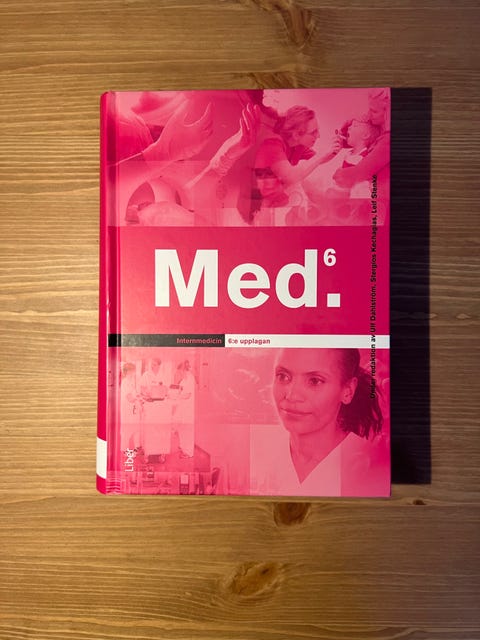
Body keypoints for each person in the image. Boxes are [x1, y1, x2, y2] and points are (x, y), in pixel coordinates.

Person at [250, 348, 389, 496]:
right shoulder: (257, 451)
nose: (291, 396)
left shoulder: (372, 466)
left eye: (314, 381)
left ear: (348, 391)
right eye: (283, 376)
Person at [251, 105, 342, 225]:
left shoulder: (298, 146)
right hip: (257, 205)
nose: (318, 136)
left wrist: (333, 150)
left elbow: (318, 160)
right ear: (296, 135)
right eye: (314, 132)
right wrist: (322, 155)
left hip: (277, 199)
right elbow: (291, 177)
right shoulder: (272, 145)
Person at [332, 88, 390, 211]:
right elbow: (358, 138)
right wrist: (347, 130)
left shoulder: (387, 141)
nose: (369, 114)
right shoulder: (381, 137)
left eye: (374, 111)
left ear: (388, 112)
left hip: (379, 206)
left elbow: (360, 172)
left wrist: (338, 174)